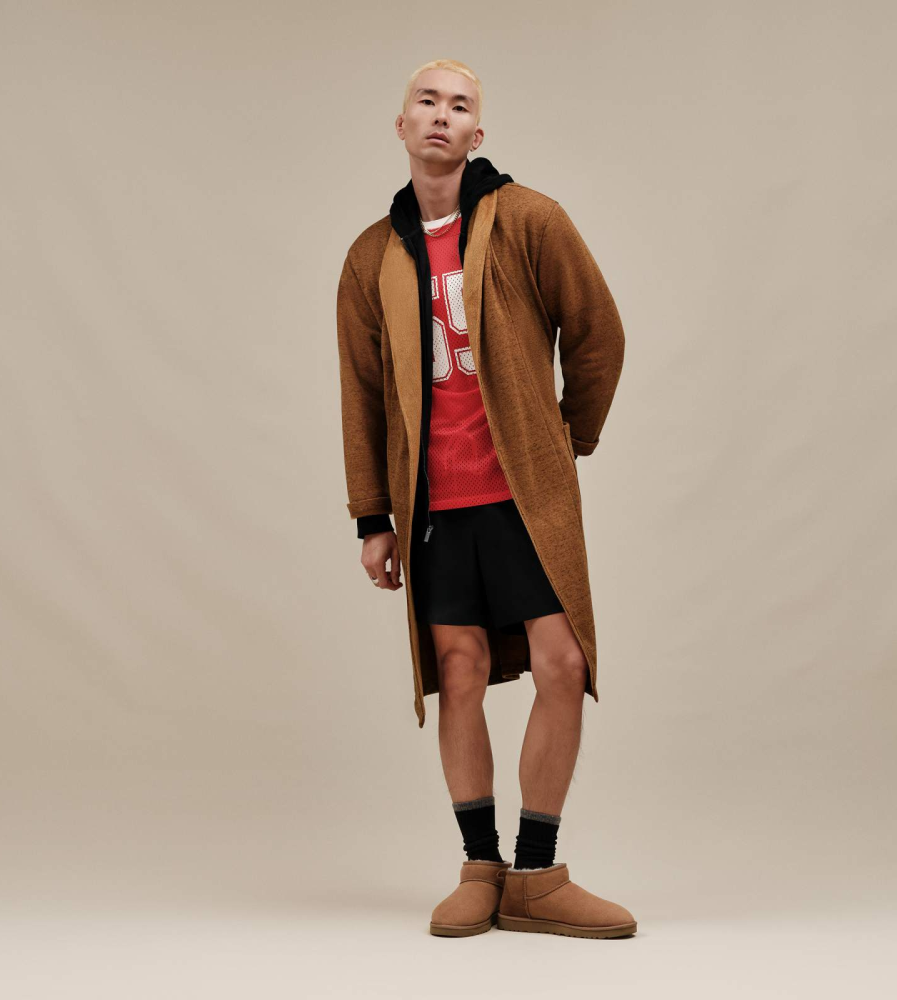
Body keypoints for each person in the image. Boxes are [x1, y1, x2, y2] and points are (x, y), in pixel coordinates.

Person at [336, 59, 634, 938]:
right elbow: (361, 391)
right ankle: (481, 866)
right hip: (434, 506)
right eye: (426, 101)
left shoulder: (531, 218)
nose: (442, 114)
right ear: (401, 126)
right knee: (459, 673)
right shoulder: (371, 256)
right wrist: (373, 516)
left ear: (477, 133)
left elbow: (598, 333)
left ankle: (536, 875)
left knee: (562, 666)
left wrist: (565, 439)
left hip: (522, 496)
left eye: (459, 104)